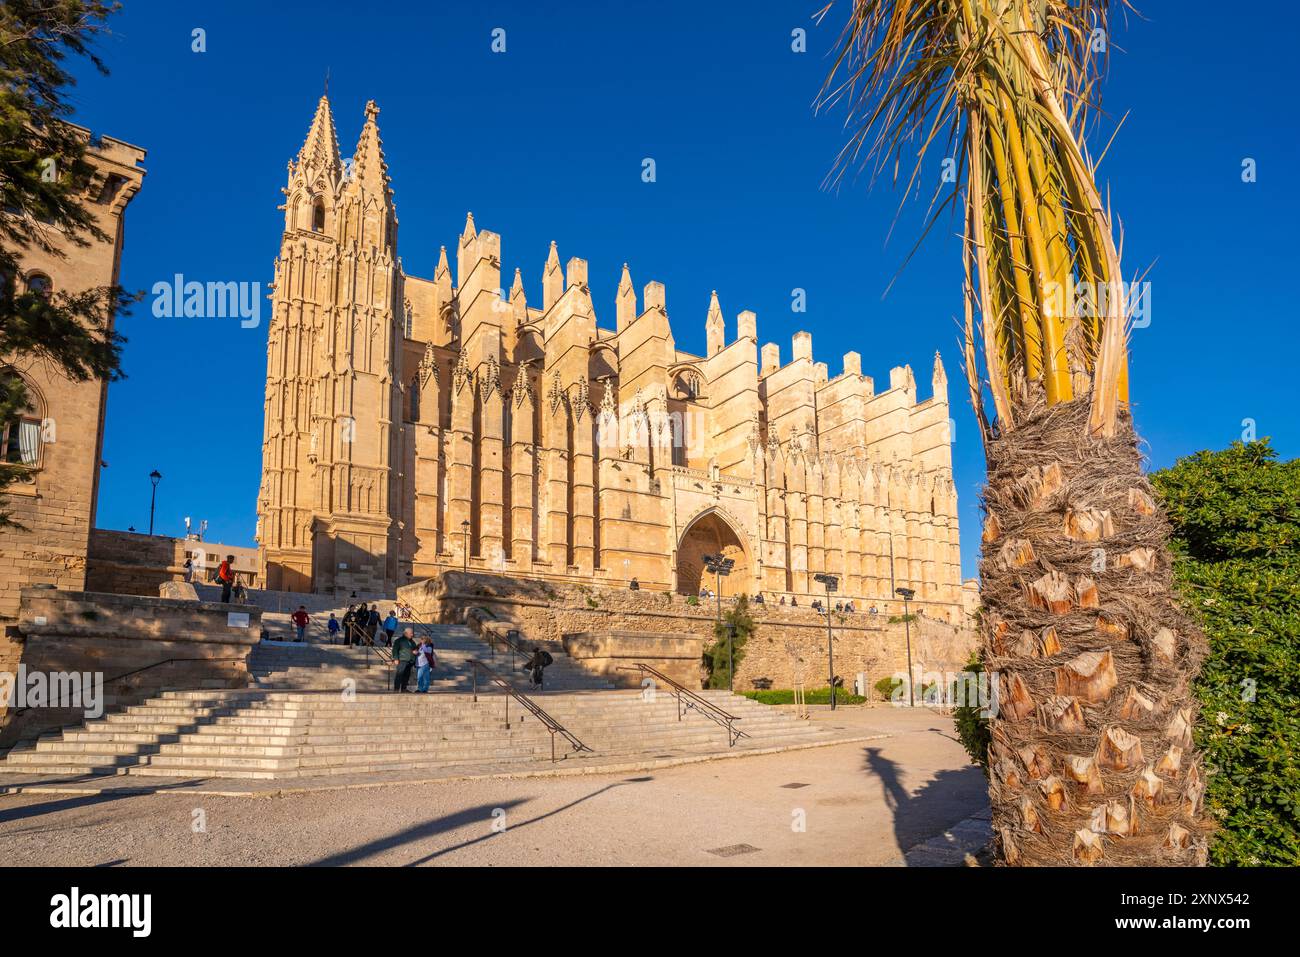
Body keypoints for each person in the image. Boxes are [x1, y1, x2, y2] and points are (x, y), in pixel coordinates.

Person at [392, 627, 417, 692]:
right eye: (411, 633)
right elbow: (395, 650)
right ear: (406, 633)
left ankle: (404, 688)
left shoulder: (412, 641)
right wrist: (396, 659)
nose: (412, 635)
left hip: (410, 661)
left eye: (412, 633)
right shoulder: (399, 640)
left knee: (407, 675)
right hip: (402, 660)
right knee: (399, 674)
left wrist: (415, 651)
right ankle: (396, 689)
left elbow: (415, 648)